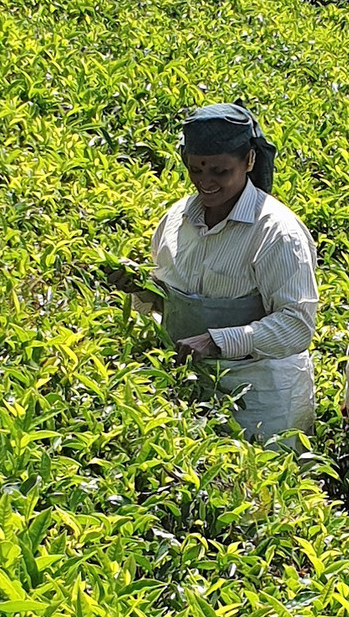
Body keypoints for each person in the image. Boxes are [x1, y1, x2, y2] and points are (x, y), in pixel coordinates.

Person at [109, 102, 319, 441]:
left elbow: (297, 325)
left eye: (220, 172)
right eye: (196, 170)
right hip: (187, 388)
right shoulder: (177, 219)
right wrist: (138, 288)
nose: (205, 183)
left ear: (248, 161)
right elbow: (173, 302)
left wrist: (219, 341)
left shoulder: (277, 233)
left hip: (261, 399)